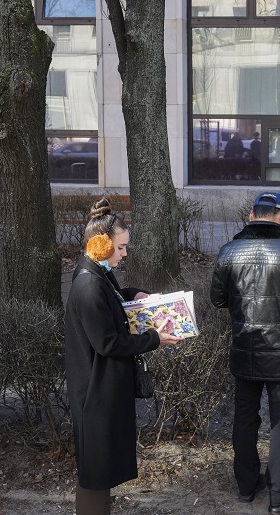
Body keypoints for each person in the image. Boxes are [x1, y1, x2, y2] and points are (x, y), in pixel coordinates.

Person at [65, 198, 184, 515]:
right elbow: (109, 344)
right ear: (102, 245)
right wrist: (154, 339)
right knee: (95, 473)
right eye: (120, 248)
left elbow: (113, 299)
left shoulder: (95, 272)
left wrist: (136, 295)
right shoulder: (89, 286)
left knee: (100, 470)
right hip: (95, 394)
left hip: (99, 390)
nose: (125, 253)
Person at [211, 193, 280, 514]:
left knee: (245, 419)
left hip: (245, 350)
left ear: (250, 215)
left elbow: (217, 298)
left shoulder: (229, 252)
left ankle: (246, 486)